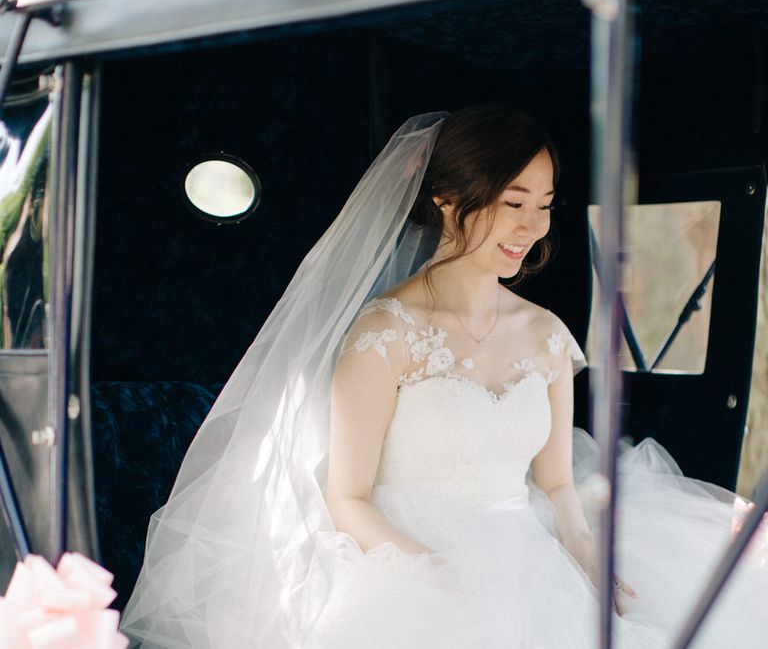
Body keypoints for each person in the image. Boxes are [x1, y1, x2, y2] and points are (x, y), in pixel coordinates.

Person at [121, 105, 767, 648]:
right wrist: (438, 577)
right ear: (449, 200)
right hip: (408, 560)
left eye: (543, 205)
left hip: (528, 554)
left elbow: (558, 483)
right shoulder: (384, 333)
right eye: (513, 203)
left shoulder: (545, 334)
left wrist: (589, 559)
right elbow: (347, 496)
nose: (533, 227)